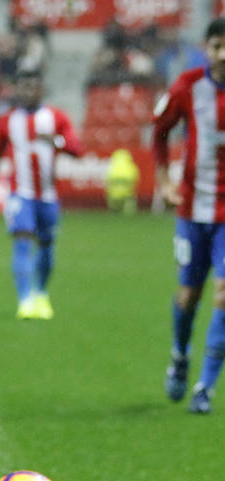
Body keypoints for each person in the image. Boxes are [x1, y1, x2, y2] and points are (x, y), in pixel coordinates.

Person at [155, 18, 225, 414]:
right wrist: (164, 180)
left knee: (224, 294)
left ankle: (205, 388)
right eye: (217, 46)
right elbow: (160, 132)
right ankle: (180, 354)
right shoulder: (186, 86)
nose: (224, 55)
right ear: (207, 47)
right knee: (189, 296)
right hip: (192, 209)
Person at [0, 70, 83, 320]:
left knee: (46, 245)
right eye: (23, 87)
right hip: (19, 194)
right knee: (22, 240)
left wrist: (55, 142)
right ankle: (24, 300)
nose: (27, 92)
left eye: (32, 87)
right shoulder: (8, 121)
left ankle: (41, 294)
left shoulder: (56, 118)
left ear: (41, 90)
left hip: (47, 196)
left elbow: (77, 149)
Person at [106, 148, 139, 216]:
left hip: (113, 193)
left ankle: (113, 211)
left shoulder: (112, 167)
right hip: (127, 192)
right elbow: (135, 180)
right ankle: (129, 213)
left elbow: (108, 181)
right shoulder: (131, 167)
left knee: (111, 199)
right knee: (131, 198)